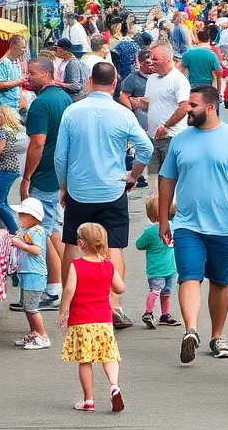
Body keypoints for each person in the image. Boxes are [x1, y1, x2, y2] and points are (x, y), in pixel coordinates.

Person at [157, 85, 228, 364]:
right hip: (188, 224)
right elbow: (167, 181)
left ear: (210, 108)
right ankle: (191, 331)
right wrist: (164, 219)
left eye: (193, 106)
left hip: (225, 226)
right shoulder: (180, 141)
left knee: (220, 282)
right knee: (188, 277)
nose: (187, 110)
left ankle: (217, 335)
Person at [55, 61, 153, 330]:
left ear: (89, 81)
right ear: (114, 83)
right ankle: (113, 305)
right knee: (114, 245)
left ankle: (73, 301)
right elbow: (145, 147)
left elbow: (60, 156)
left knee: (73, 243)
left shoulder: (73, 112)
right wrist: (134, 174)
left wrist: (63, 186)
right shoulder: (122, 114)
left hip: (80, 189)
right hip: (112, 188)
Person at [58, 222, 127, 413]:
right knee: (109, 356)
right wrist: (109, 287)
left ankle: (89, 400)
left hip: (82, 320)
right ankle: (114, 385)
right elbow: (120, 288)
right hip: (104, 321)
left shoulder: (77, 265)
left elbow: (70, 289)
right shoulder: (108, 266)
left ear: (80, 243)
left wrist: (62, 311)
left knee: (85, 360)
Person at [22, 58, 72, 306]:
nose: (27, 77)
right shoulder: (63, 98)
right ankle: (65, 285)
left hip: (45, 176)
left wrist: (27, 177)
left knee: (45, 233)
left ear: (45, 73)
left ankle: (53, 290)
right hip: (60, 174)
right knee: (53, 232)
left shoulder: (41, 104)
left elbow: (38, 142)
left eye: (31, 73)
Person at [146, 44, 192, 192]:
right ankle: (155, 211)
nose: (151, 61)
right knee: (153, 181)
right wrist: (137, 103)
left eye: (155, 59)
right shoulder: (152, 79)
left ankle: (169, 211)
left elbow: (184, 108)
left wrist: (166, 126)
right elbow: (154, 103)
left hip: (171, 138)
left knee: (169, 181)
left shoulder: (178, 80)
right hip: (153, 138)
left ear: (166, 59)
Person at [10, 197, 52, 350]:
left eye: (22, 215)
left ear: (33, 217)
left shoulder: (37, 231)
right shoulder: (27, 230)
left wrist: (20, 244)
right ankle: (35, 333)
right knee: (27, 307)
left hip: (35, 274)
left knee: (32, 308)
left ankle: (43, 336)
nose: (19, 217)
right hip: (27, 273)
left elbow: (36, 250)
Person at [135, 194, 179, 328]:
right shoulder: (175, 227)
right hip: (171, 267)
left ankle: (148, 312)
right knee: (166, 293)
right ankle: (164, 314)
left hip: (155, 269)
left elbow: (139, 244)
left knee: (155, 291)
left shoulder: (150, 231)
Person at [0, 105, 26, 233]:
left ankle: (13, 229)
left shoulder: (3, 131)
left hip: (4, 168)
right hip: (14, 167)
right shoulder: (15, 129)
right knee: (6, 201)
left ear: (2, 116)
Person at [118, 49, 154, 133]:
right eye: (148, 63)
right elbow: (123, 95)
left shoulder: (159, 76)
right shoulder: (133, 77)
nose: (152, 65)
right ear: (141, 63)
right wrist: (131, 110)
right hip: (142, 114)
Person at [0, 34, 28, 111]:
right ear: (14, 46)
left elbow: (18, 87)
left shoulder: (16, 62)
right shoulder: (2, 63)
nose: (24, 51)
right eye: (23, 47)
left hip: (14, 107)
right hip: (2, 109)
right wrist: (19, 81)